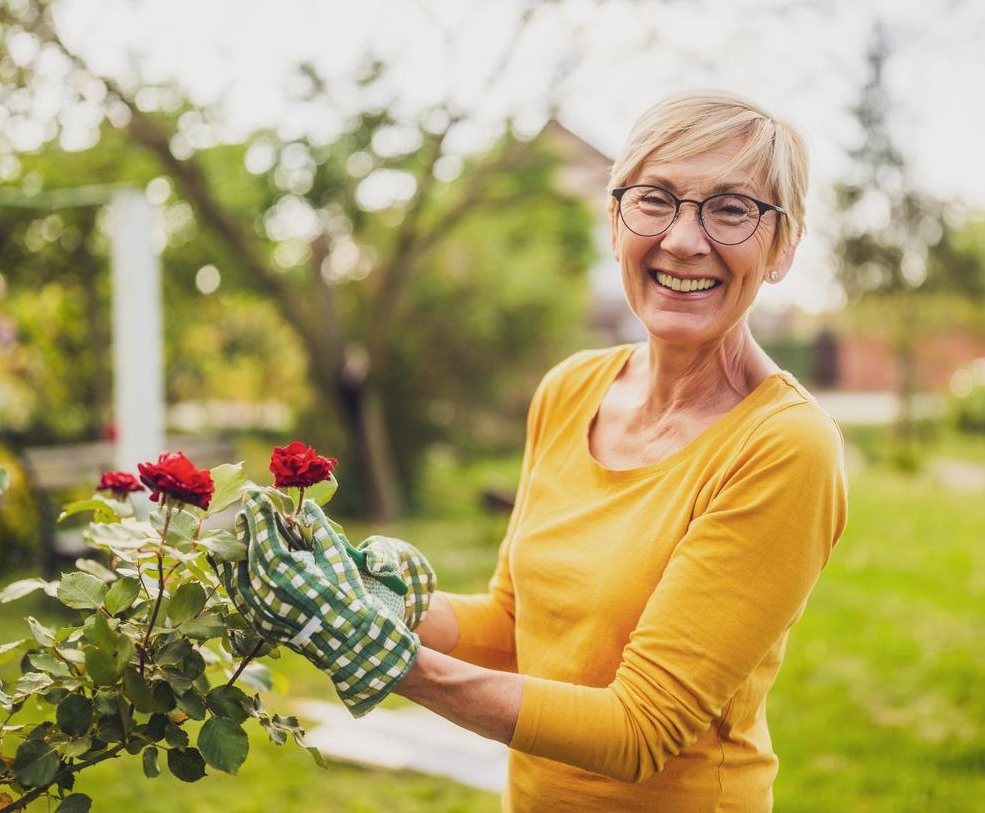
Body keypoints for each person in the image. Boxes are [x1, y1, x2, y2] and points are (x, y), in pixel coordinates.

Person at [223, 90, 848, 812]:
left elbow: (640, 729)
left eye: (732, 209)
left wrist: (388, 661)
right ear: (615, 223)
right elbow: (515, 626)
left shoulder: (784, 447)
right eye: (656, 199)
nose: (683, 239)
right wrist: (365, 598)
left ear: (784, 248)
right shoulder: (572, 388)